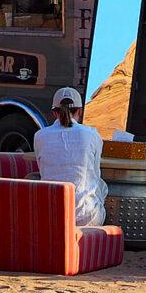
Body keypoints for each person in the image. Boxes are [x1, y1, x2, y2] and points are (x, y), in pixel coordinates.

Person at [32, 87, 107, 227]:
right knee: (101, 185)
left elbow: (42, 169)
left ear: (54, 112)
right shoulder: (92, 134)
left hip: (51, 215)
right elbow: (95, 173)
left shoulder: (40, 136)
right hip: (86, 218)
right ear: (80, 111)